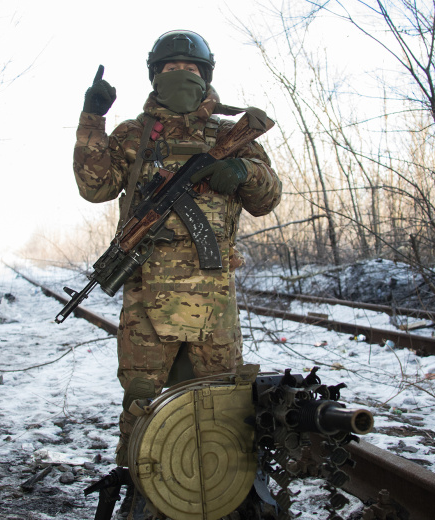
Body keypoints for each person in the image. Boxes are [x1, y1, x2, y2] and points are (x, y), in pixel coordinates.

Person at [72, 30, 281, 518]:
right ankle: (140, 491)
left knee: (225, 404)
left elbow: (268, 198)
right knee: (141, 401)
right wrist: (92, 118)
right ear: (155, 77)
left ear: (205, 76)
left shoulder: (230, 136)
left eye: (189, 69)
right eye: (170, 69)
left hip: (213, 300)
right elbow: (93, 186)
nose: (180, 76)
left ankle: (229, 496)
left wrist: (245, 174)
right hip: (146, 297)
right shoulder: (134, 134)